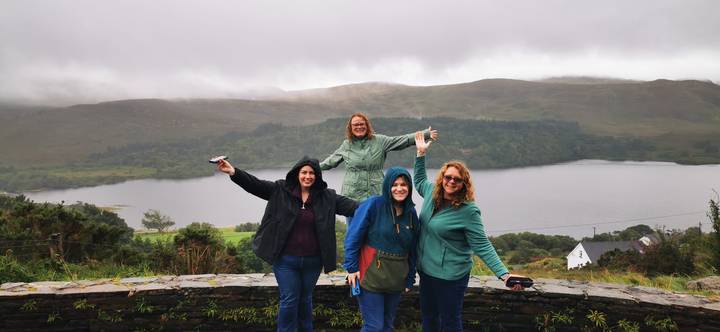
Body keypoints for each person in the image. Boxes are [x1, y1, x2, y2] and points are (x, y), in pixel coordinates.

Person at [216, 156, 358, 332]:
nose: (308, 176)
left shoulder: (327, 197)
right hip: (285, 261)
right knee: (290, 298)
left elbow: (355, 207)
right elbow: (255, 185)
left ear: (317, 176)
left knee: (305, 299)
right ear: (297, 174)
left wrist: (385, 205)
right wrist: (233, 172)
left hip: (313, 261)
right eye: (304, 172)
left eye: (312, 173)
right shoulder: (280, 190)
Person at [412, 132, 527, 332]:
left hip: (451, 276)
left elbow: (482, 245)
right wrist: (420, 154)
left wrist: (504, 274)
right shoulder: (431, 193)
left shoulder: (468, 211)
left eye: (457, 179)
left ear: (464, 184)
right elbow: (420, 180)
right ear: (442, 178)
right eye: (448, 177)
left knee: (450, 321)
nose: (451, 182)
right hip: (426, 271)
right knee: (429, 318)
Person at [343, 167, 419, 332]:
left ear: (409, 187)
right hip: (370, 275)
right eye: (395, 184)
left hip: (396, 279)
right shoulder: (373, 204)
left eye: (404, 184)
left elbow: (413, 249)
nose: (399, 188)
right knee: (374, 326)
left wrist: (410, 278)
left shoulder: (411, 213)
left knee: (387, 325)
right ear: (387, 186)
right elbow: (353, 237)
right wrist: (351, 267)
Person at [320, 113, 439, 217]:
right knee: (354, 230)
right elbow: (330, 162)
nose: (359, 127)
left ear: (367, 126)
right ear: (350, 128)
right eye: (355, 125)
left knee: (376, 228)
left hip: (375, 193)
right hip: (352, 196)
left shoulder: (380, 141)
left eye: (362, 124)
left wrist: (425, 134)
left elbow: (401, 140)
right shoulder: (346, 145)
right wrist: (310, 168)